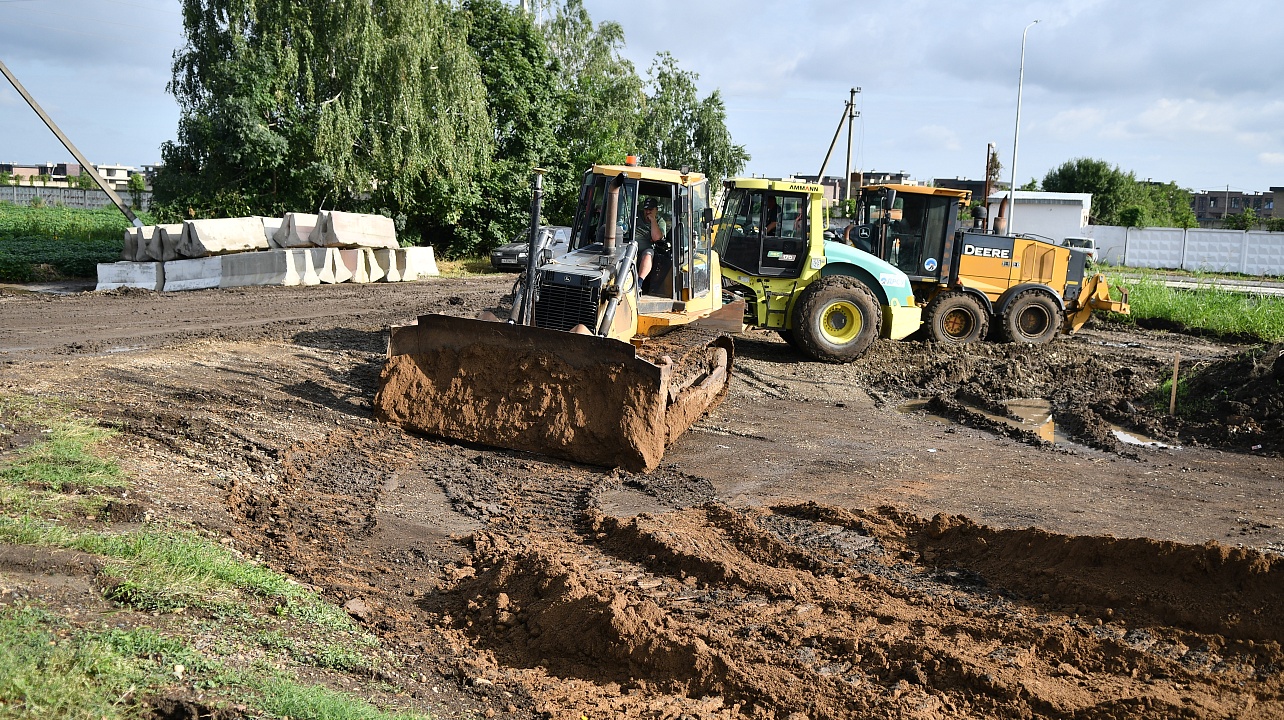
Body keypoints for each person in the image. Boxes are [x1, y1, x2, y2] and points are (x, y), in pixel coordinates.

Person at [635, 196, 667, 281]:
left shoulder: (660, 222)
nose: (647, 212)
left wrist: (653, 220)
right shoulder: (636, 215)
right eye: (646, 209)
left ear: (656, 210)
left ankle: (639, 282)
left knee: (648, 254)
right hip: (629, 246)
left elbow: (657, 238)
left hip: (644, 250)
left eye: (650, 210)